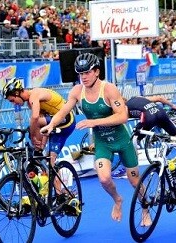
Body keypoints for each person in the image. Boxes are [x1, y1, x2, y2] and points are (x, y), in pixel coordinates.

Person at [40, 53, 149, 224]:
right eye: (80, 74)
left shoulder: (109, 89)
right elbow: (63, 110)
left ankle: (145, 208)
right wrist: (52, 124)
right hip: (103, 143)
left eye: (87, 73)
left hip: (122, 140)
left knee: (135, 181)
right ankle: (117, 200)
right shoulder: (77, 91)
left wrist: (94, 122)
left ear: (97, 72)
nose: (83, 77)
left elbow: (122, 117)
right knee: (104, 178)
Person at [2, 77, 76, 167]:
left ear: (17, 93)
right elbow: (43, 126)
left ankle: (37, 148)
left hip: (67, 119)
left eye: (12, 100)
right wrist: (42, 145)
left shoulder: (34, 94)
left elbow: (35, 118)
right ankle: (40, 152)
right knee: (50, 165)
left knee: (32, 123)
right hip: (57, 126)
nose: (14, 104)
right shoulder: (30, 103)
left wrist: (33, 137)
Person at [111, 95, 176, 178]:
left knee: (133, 142)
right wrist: (172, 105)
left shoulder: (124, 107)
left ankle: (128, 170)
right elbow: (159, 98)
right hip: (161, 113)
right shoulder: (138, 98)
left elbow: (123, 121)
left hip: (149, 118)